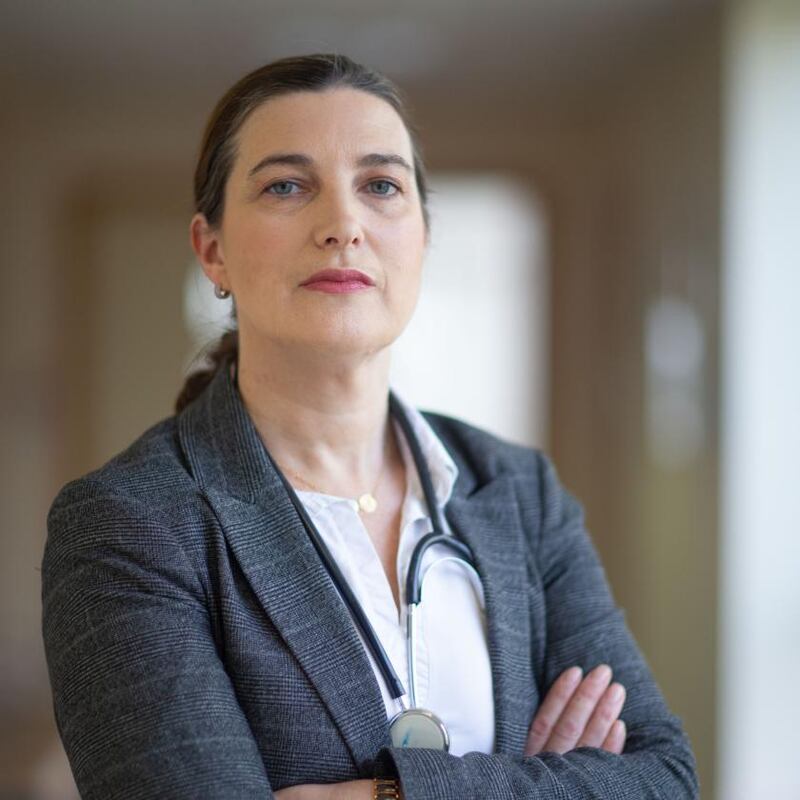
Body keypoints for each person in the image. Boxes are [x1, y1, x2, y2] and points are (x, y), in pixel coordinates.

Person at [41, 54, 698, 800]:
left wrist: (392, 794)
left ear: (420, 237)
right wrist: (544, 782)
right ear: (211, 250)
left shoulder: (519, 490)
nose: (343, 224)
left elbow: (662, 778)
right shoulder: (130, 524)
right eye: (287, 186)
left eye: (381, 186)